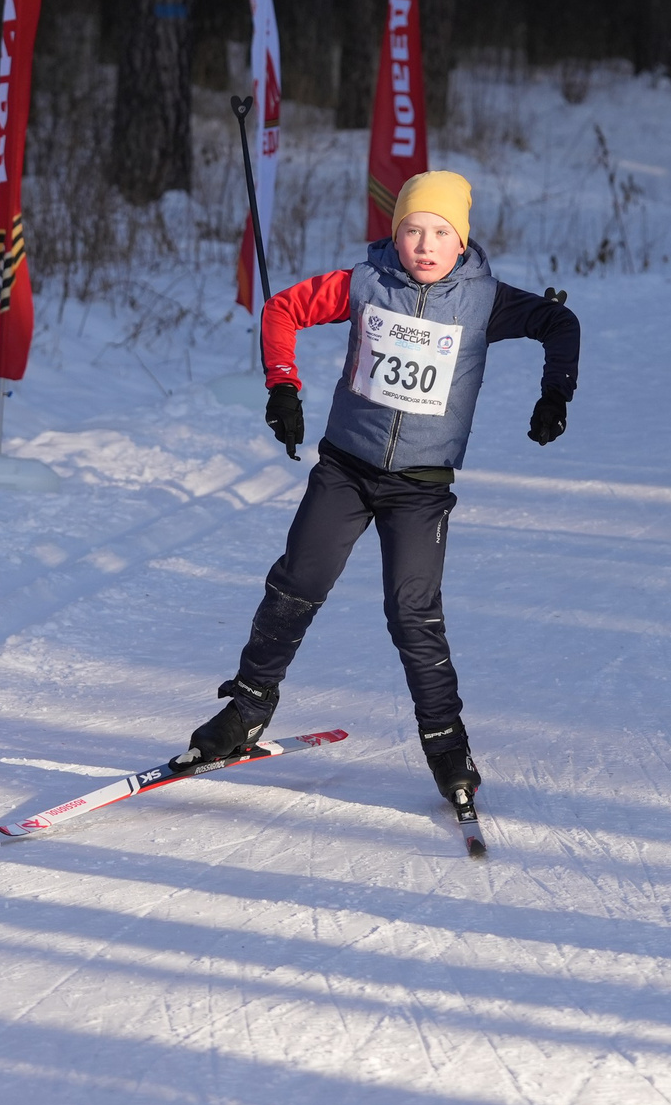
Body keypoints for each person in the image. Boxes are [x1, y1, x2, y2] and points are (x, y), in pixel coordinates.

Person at [179, 169, 581, 814]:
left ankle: (448, 747)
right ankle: (248, 707)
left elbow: (560, 324)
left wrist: (555, 392)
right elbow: (282, 308)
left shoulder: (486, 300)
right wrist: (282, 386)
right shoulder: (364, 285)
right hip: (345, 471)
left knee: (413, 615)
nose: (424, 244)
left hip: (421, 489)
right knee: (295, 585)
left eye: (440, 233)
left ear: (462, 243)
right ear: (394, 236)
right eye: (411, 230)